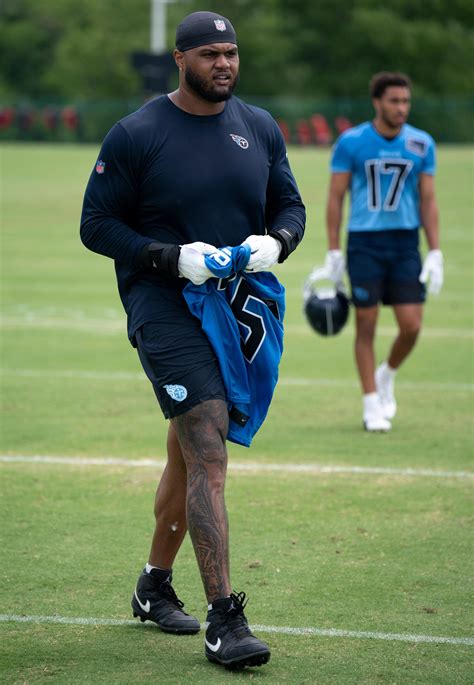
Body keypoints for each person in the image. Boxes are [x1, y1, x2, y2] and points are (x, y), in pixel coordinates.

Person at [80, 10, 305, 670]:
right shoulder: (138, 133)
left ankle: (153, 585)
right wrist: (169, 256)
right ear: (181, 60)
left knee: (188, 449)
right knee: (207, 439)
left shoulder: (259, 127)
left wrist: (277, 242)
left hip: (235, 305)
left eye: (230, 53)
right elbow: (96, 225)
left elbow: (289, 206)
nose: (224, 64)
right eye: (210, 54)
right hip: (163, 303)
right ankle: (224, 621)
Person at [323, 71, 443, 432]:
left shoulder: (421, 143)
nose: (401, 108)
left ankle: (386, 373)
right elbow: (335, 198)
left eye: (405, 101)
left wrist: (435, 250)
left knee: (411, 326)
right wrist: (334, 251)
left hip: (405, 242)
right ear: (377, 102)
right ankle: (371, 403)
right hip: (365, 242)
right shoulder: (352, 142)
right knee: (366, 323)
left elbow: (428, 200)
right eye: (394, 101)